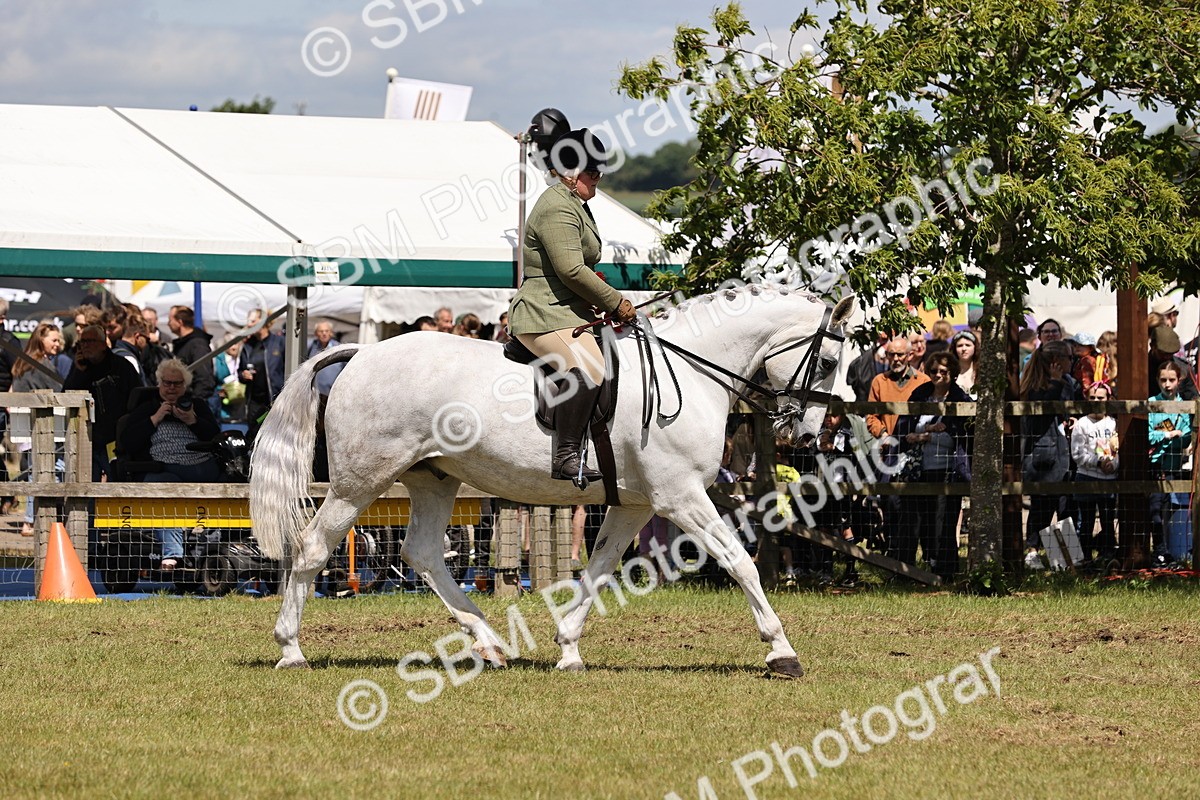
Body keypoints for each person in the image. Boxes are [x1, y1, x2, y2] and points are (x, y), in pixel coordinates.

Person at [507, 127, 637, 483]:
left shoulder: (573, 204)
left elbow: (576, 267)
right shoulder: (555, 207)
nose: (598, 178)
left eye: (599, 173)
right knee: (590, 367)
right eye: (592, 172)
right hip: (542, 312)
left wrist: (596, 291)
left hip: (565, 310)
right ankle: (565, 456)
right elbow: (570, 269)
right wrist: (616, 302)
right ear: (569, 172)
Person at [118, 359, 222, 571]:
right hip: (159, 469)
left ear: (185, 386)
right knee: (168, 485)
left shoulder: (198, 406)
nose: (172, 388)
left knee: (225, 476)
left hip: (199, 466)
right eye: (167, 383)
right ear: (159, 384)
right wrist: (154, 419)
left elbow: (215, 438)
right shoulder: (145, 408)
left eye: (177, 384)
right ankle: (172, 555)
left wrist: (193, 420)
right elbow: (127, 442)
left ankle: (220, 546)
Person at [894, 351, 973, 580]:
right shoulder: (919, 394)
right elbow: (903, 428)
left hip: (948, 469)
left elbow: (960, 435)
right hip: (916, 467)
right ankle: (905, 571)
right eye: (934, 371)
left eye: (943, 371)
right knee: (911, 519)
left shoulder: (961, 399)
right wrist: (920, 434)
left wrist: (930, 434)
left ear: (953, 374)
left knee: (943, 522)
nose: (938, 375)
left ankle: (944, 571)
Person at [1019, 340, 1076, 569]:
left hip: (1064, 453)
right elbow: (1038, 417)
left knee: (1064, 505)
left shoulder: (1067, 383)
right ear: (1056, 363)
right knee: (1042, 505)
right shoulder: (1035, 387)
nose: (1072, 362)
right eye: (1069, 359)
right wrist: (1054, 382)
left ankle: (1064, 557)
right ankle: (1031, 551)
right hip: (1043, 456)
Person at [62, 324, 142, 480]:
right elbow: (66, 396)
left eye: (90, 341)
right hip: (87, 436)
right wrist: (79, 372)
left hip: (115, 436)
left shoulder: (121, 366)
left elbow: (136, 395)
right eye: (82, 342)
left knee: (116, 480)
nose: (85, 346)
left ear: (103, 344)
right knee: (86, 484)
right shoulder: (79, 367)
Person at [11, 323, 68, 537]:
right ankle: (33, 522)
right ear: (41, 339)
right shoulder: (40, 365)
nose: (58, 343)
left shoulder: (22, 363)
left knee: (38, 474)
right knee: (50, 472)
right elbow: (60, 392)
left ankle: (38, 521)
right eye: (53, 339)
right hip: (46, 429)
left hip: (27, 429)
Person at [1148, 361, 1193, 565]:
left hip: (1174, 466)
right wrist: (1167, 435)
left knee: (1170, 510)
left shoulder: (1184, 406)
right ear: (1157, 380)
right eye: (1163, 380)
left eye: (1171, 380)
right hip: (1155, 465)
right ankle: (1159, 550)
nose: (1167, 385)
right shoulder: (1151, 403)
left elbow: (1186, 437)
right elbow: (1148, 435)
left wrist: (1181, 437)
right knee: (1154, 509)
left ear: (1179, 380)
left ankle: (1169, 551)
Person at [1071, 380, 1119, 564]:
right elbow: (1077, 453)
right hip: (1086, 477)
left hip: (1109, 478)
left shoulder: (1113, 423)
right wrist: (1098, 462)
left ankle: (1107, 555)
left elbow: (1118, 449)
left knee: (1107, 520)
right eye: (1092, 397)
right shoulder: (1082, 424)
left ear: (1108, 399)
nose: (1096, 400)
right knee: (1086, 522)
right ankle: (1084, 557)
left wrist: (1113, 465)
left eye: (1100, 397)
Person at [239, 309, 286, 441]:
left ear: (264, 322)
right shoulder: (247, 346)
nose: (249, 325)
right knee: (255, 436)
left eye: (253, 321)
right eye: (248, 322)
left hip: (276, 399)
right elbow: (240, 372)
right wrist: (243, 375)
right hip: (254, 402)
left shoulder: (279, 342)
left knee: (275, 438)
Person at [169, 306, 216, 405]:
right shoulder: (183, 344)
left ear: (180, 322)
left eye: (170, 320)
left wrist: (194, 404)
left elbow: (204, 378)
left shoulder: (198, 345)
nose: (168, 324)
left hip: (195, 404)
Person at [1148, 325, 1197, 401]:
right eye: (1163, 353)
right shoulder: (1139, 370)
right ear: (1152, 346)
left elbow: (1193, 401)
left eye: (1170, 354)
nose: (1166, 357)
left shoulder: (1185, 370)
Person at [306, 319, 345, 397]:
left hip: (333, 394)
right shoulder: (311, 347)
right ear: (316, 334)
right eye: (321, 331)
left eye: (327, 331)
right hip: (315, 395)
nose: (324, 333)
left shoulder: (339, 348)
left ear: (331, 333)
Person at [1068, 332, 1099, 397]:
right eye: (1075, 345)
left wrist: (1085, 396)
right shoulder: (1079, 360)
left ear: (1090, 348)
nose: (1077, 347)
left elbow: (1087, 382)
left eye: (1081, 345)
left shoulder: (1087, 360)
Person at [951, 330, 978, 398]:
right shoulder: (949, 373)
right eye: (960, 346)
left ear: (975, 347)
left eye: (968, 345)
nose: (964, 349)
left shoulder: (982, 372)